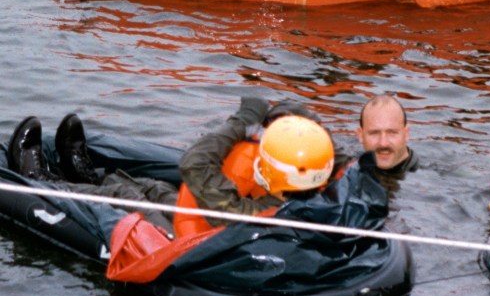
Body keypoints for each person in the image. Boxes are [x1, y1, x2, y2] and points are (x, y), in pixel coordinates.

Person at [5, 99, 342, 235]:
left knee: (122, 199)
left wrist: (242, 122)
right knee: (153, 187)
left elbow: (195, 163)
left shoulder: (253, 212)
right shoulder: (319, 193)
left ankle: (40, 182)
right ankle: (86, 176)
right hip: (206, 226)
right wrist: (293, 118)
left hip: (195, 245)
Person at [354, 94, 418, 187]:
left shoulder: (426, 183)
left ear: (406, 134)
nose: (383, 143)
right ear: (360, 135)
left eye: (392, 132)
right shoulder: (349, 167)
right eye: (374, 133)